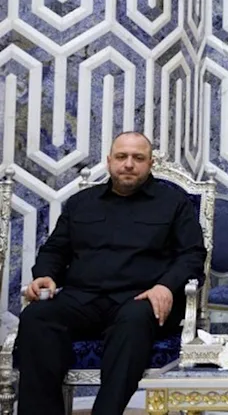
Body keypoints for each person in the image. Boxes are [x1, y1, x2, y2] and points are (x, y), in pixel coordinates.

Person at [16, 132, 207, 415]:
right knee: (36, 316)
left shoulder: (173, 203)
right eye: (122, 157)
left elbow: (192, 255)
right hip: (83, 299)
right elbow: (55, 250)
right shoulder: (82, 202)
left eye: (138, 158)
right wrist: (46, 274)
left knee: (134, 319)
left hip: (140, 300)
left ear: (150, 163)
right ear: (109, 161)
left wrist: (166, 287)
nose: (128, 164)